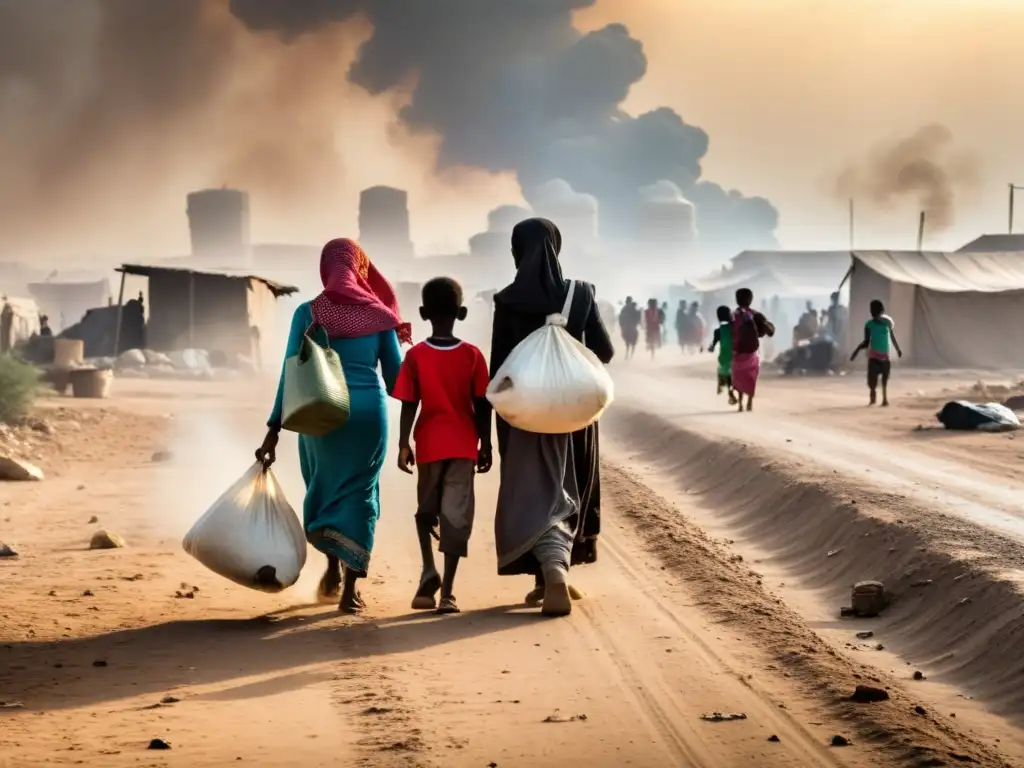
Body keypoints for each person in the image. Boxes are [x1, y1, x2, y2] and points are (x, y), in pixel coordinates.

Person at [256, 238, 409, 614]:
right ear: (360, 270)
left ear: (326, 268)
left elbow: (290, 375)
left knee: (324, 489)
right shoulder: (380, 318)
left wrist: (274, 428)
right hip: (368, 418)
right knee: (361, 494)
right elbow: (396, 380)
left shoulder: (308, 313)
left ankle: (331, 568)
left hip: (319, 415)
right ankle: (350, 589)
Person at [489, 218, 614, 617]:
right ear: (556, 250)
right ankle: (556, 569)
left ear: (517, 252)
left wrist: (484, 429)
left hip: (524, 419)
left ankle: (547, 573)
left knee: (532, 494)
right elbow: (605, 351)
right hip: (573, 418)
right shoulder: (581, 295)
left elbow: (499, 367)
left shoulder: (508, 300)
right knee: (567, 486)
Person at [394, 277, 492, 615]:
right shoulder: (473, 356)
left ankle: (427, 569)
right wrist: (488, 444)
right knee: (456, 517)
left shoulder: (416, 356)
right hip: (465, 445)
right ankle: (448, 593)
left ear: (423, 313)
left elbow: (409, 402)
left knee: (426, 511)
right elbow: (483, 404)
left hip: (429, 445)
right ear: (462, 313)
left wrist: (402, 443)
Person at [849, 299, 902, 406]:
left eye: (875, 311)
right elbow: (866, 342)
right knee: (872, 381)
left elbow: (892, 337)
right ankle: (873, 396)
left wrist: (898, 349)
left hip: (885, 356)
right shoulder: (869, 325)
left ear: (881, 311)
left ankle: (884, 399)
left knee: (884, 379)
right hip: (874, 356)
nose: (874, 314)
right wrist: (857, 350)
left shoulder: (887, 323)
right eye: (873, 312)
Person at [732, 287, 775, 413]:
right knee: (751, 377)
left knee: (739, 377)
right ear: (751, 299)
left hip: (738, 353)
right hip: (752, 353)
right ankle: (750, 401)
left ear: (737, 299)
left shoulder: (734, 315)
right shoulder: (756, 315)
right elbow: (768, 330)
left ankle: (740, 403)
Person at [707, 305, 737, 405]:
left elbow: (712, 345)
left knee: (726, 373)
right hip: (736, 355)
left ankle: (728, 390)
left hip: (724, 356)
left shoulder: (718, 331)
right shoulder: (735, 328)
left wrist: (710, 348)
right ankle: (729, 389)